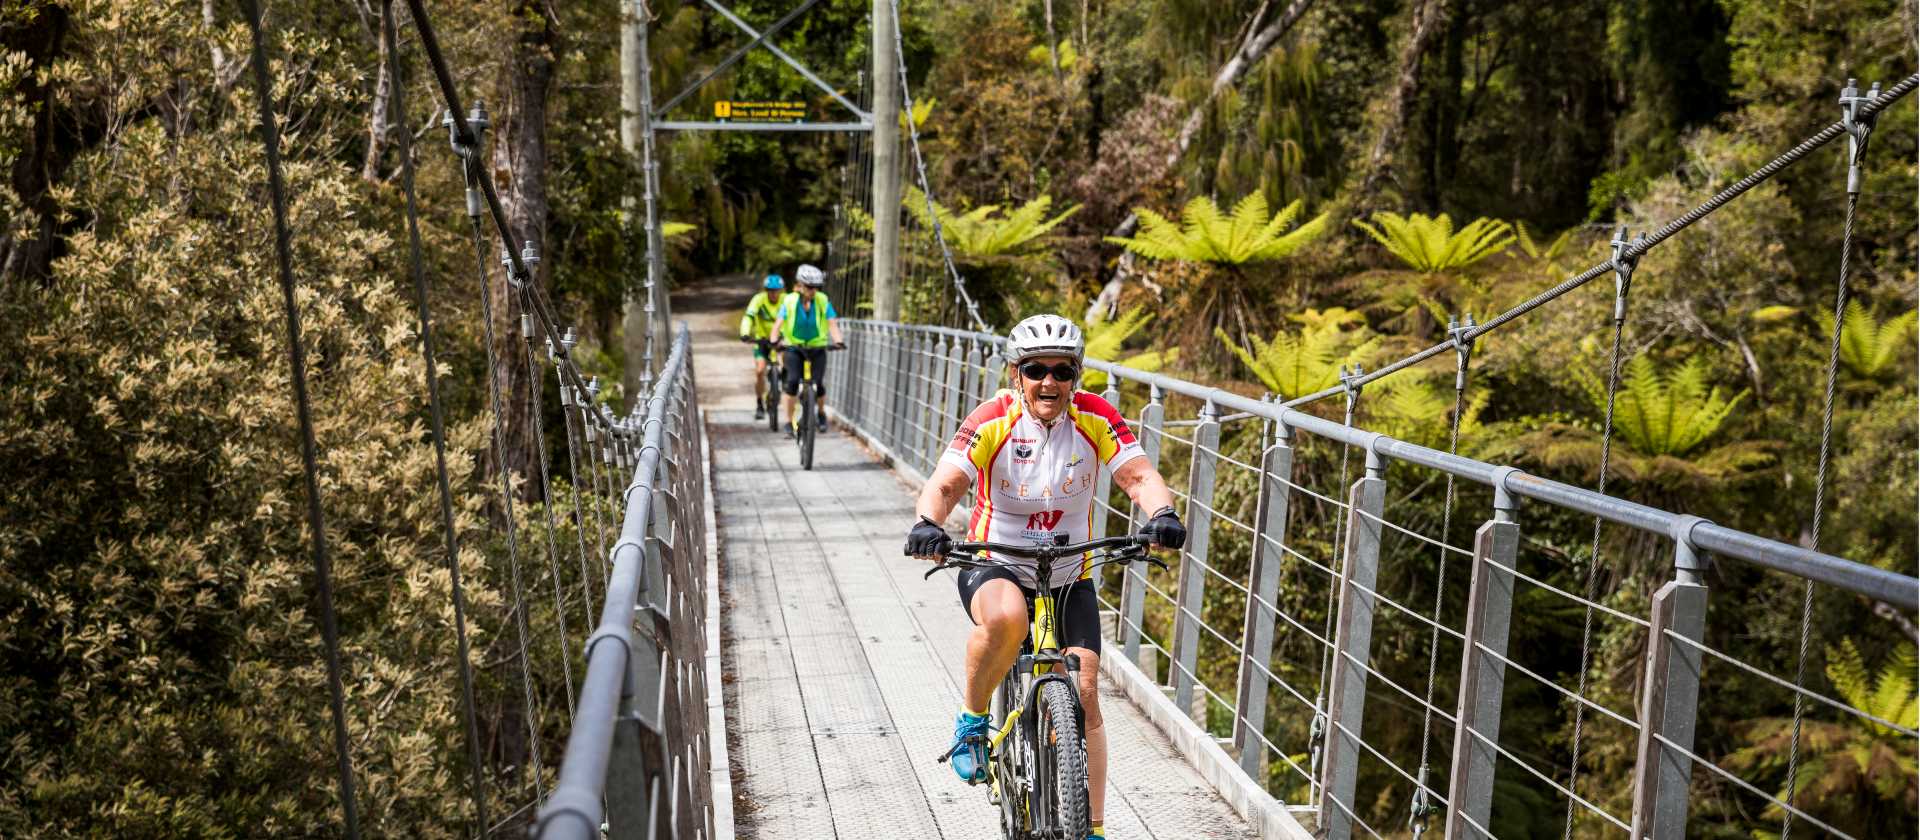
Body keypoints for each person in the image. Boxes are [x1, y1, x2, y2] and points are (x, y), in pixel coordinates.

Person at [903, 314, 1186, 840]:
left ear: (1076, 374)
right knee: (1008, 618)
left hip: (1068, 568)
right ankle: (971, 720)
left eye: (1061, 370)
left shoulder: (1097, 417)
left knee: (1084, 692)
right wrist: (928, 524)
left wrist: (1160, 514)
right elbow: (945, 485)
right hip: (998, 561)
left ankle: (1093, 830)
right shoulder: (993, 419)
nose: (1048, 382)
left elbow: (1139, 476)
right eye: (1036, 370)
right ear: (1017, 375)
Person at [767, 264, 844, 436]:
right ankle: (788, 422)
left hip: (817, 347)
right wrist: (774, 339)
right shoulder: (789, 300)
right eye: (809, 287)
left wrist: (838, 341)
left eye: (816, 287)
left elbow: (832, 322)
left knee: (818, 384)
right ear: (800, 285)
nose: (813, 291)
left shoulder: (823, 300)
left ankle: (821, 413)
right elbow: (778, 324)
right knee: (792, 382)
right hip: (794, 347)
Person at [738, 274, 785, 420]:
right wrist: (745, 332)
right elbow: (749, 317)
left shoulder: (787, 300)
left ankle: (780, 386)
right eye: (770, 290)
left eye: (776, 290)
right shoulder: (758, 299)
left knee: (787, 365)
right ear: (766, 290)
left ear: (781, 290)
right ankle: (760, 404)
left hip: (781, 340)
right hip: (762, 341)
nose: (773, 293)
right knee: (759, 371)